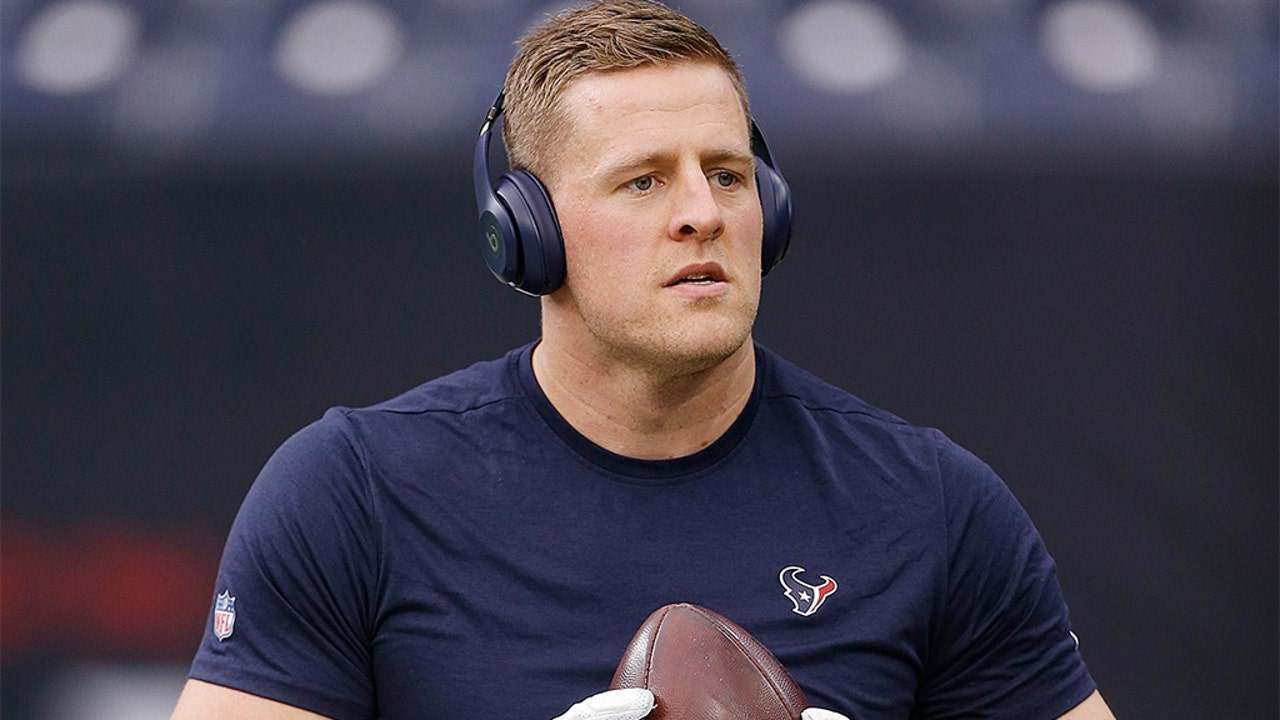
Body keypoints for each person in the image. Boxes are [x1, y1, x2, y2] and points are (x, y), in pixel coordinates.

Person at [171, 2, 1116, 718]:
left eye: (729, 174)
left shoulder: (928, 505)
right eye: (643, 181)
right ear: (527, 230)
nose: (702, 212)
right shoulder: (354, 494)